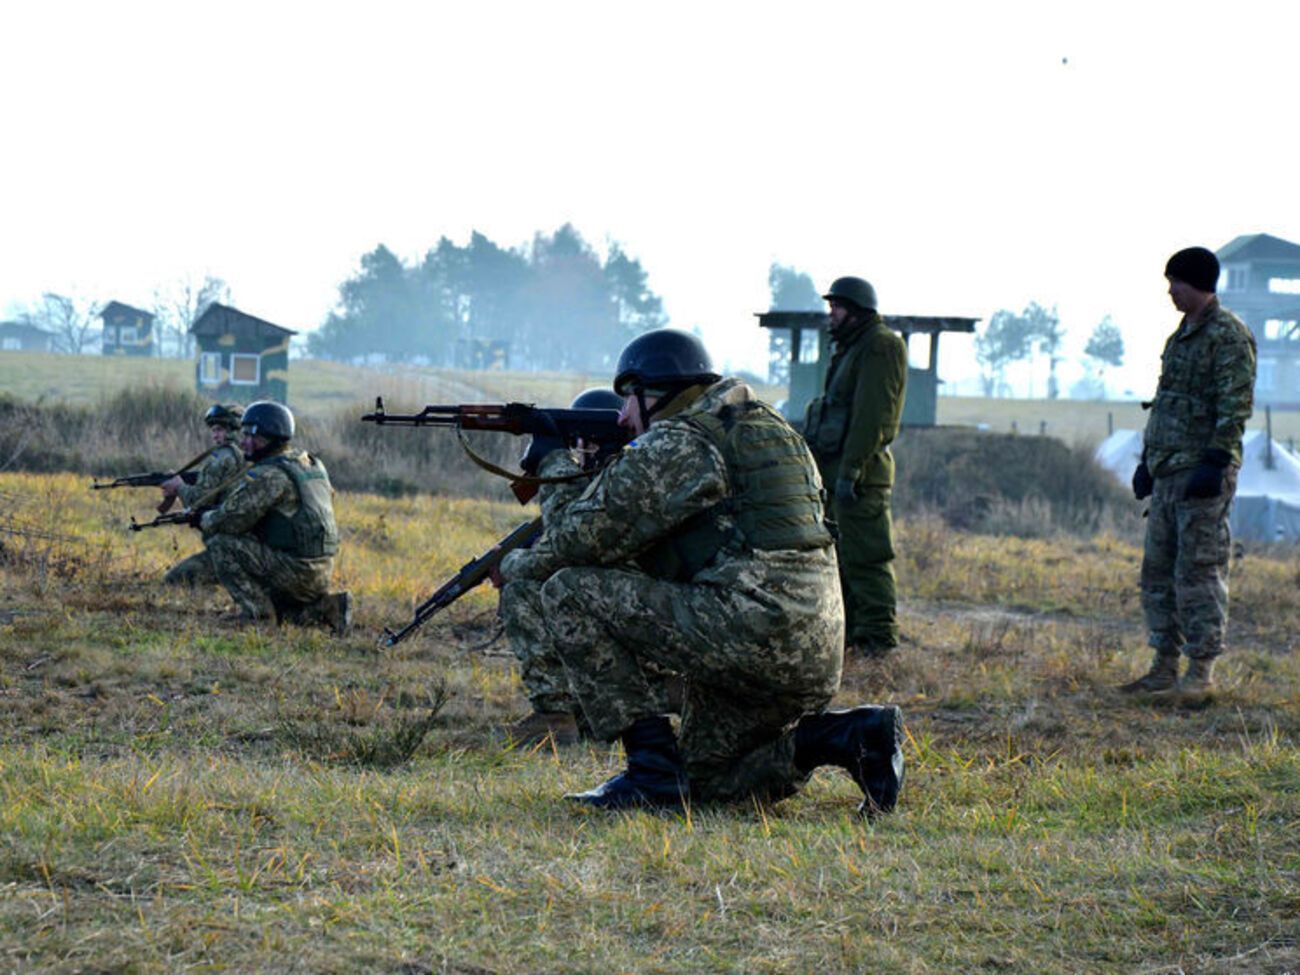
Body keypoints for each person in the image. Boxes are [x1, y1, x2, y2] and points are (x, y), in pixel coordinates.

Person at [499, 328, 904, 815]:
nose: (623, 416)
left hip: (751, 634)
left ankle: (650, 774)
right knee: (710, 784)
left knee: (569, 592)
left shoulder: (682, 441)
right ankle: (843, 737)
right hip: (810, 652)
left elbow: (574, 540)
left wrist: (552, 468)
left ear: (660, 395)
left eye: (630, 400)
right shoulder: (768, 428)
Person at [1121, 246, 1256, 699]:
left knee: (1198, 571)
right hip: (1167, 471)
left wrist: (1215, 462)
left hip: (1201, 474)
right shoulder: (1180, 336)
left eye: (1175, 282)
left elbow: (1234, 405)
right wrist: (1146, 462)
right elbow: (1167, 403)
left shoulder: (1228, 336)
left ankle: (1200, 673)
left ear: (1197, 282)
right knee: (1158, 570)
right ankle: (1163, 664)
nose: (1170, 292)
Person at [802, 277, 908, 657]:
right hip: (839, 472)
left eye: (837, 308)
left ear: (858, 309)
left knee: (867, 557)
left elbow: (873, 417)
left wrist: (851, 472)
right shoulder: (851, 347)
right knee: (840, 559)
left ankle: (878, 639)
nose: (831, 315)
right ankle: (853, 636)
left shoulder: (881, 346)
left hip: (860, 475)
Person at [197, 400, 353, 635]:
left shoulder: (270, 475)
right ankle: (326, 608)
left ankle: (258, 617)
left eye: (250, 435)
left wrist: (202, 518)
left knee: (221, 543)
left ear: (267, 438)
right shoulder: (309, 463)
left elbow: (229, 521)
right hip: (320, 571)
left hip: (297, 572)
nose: (243, 441)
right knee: (283, 608)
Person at [161, 403, 245, 586]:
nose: (215, 435)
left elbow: (197, 501)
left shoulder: (221, 458)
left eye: (219, 430)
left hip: (230, 545)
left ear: (233, 429)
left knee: (173, 581)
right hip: (248, 542)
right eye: (213, 430)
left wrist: (179, 487)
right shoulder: (250, 453)